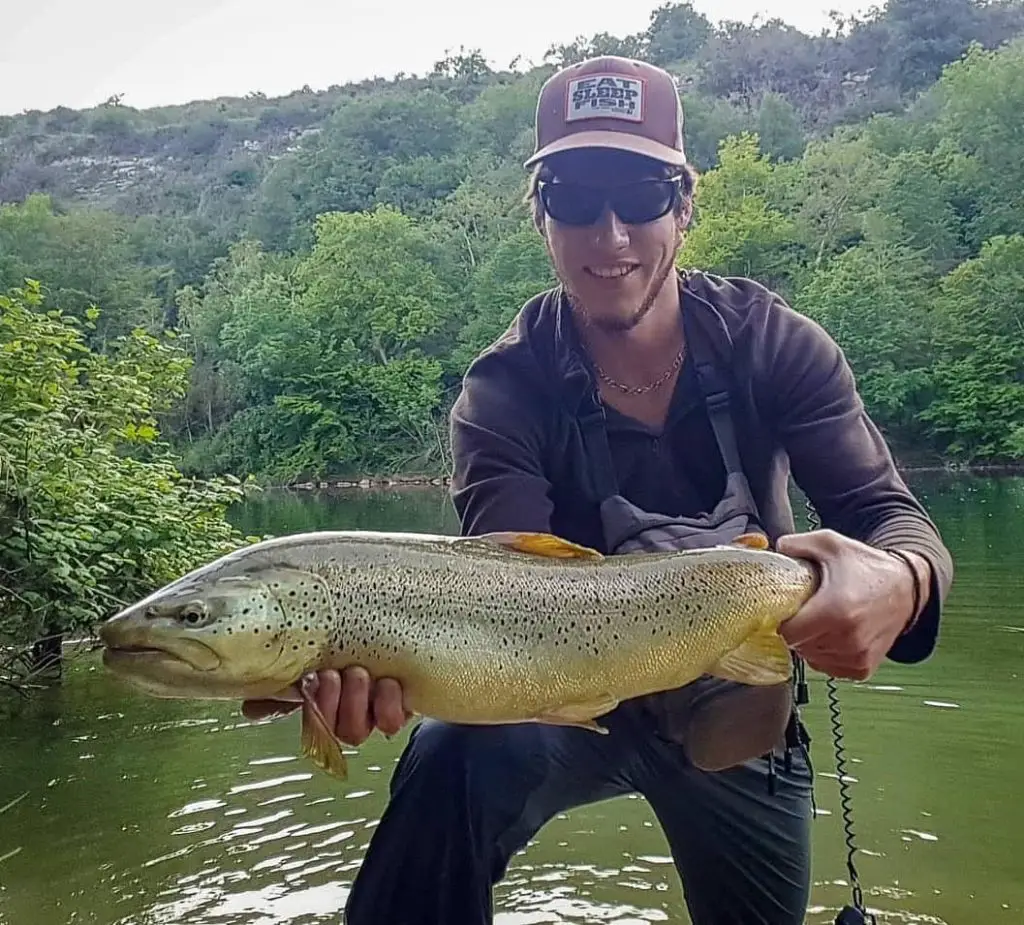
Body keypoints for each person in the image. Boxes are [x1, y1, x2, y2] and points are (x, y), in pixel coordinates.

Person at [243, 56, 954, 924]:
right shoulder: (505, 390)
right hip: (551, 700)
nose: (610, 235)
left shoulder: (775, 344)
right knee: (447, 758)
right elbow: (495, 593)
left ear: (685, 207)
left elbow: (893, 521)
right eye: (576, 198)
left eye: (642, 195)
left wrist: (902, 580)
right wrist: (374, 667)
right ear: (541, 217)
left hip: (739, 705)